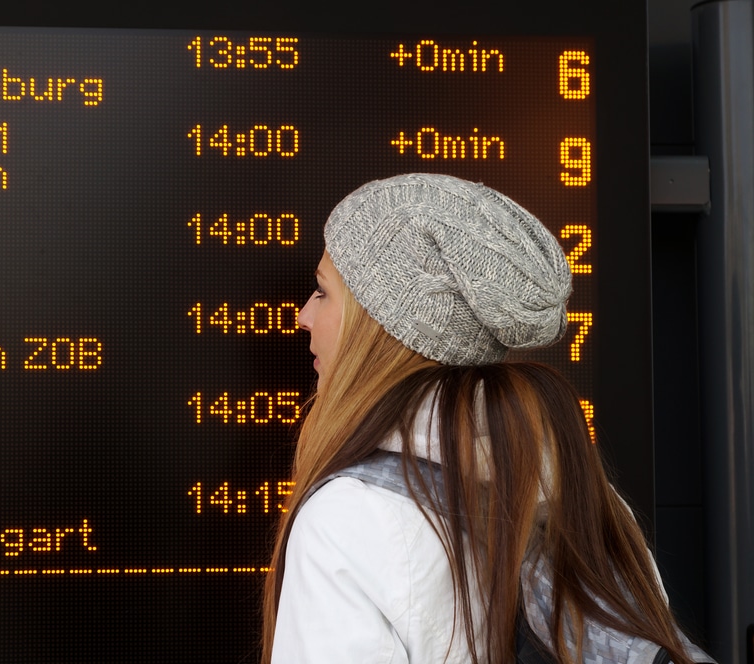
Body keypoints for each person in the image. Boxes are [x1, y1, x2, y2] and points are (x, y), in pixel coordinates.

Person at [261, 173, 699, 664]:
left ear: (379, 326)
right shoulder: (589, 500)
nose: (303, 315)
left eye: (322, 293)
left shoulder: (346, 519)